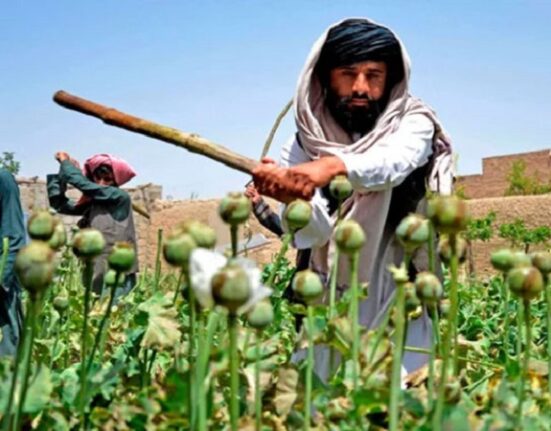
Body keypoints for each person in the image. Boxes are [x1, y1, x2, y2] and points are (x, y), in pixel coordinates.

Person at [252, 18, 453, 375]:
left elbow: (391, 163)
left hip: (400, 297)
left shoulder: (413, 122)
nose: (360, 87)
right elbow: (311, 234)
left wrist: (332, 167)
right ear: (325, 77)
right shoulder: (300, 146)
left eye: (373, 75)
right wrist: (292, 200)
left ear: (389, 79)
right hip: (328, 303)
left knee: (403, 409)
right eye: (348, 73)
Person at [47, 153, 139, 297]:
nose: (101, 183)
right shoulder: (93, 202)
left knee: (116, 313)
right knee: (93, 312)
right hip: (94, 267)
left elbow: (85, 185)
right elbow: (60, 204)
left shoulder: (120, 197)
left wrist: (67, 164)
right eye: (98, 178)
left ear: (116, 181)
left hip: (117, 268)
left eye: (107, 179)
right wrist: (62, 175)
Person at [0, 168, 26, 356]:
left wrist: (2, 280)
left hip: (2, 286)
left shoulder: (3, 179)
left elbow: (14, 236)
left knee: (6, 357)